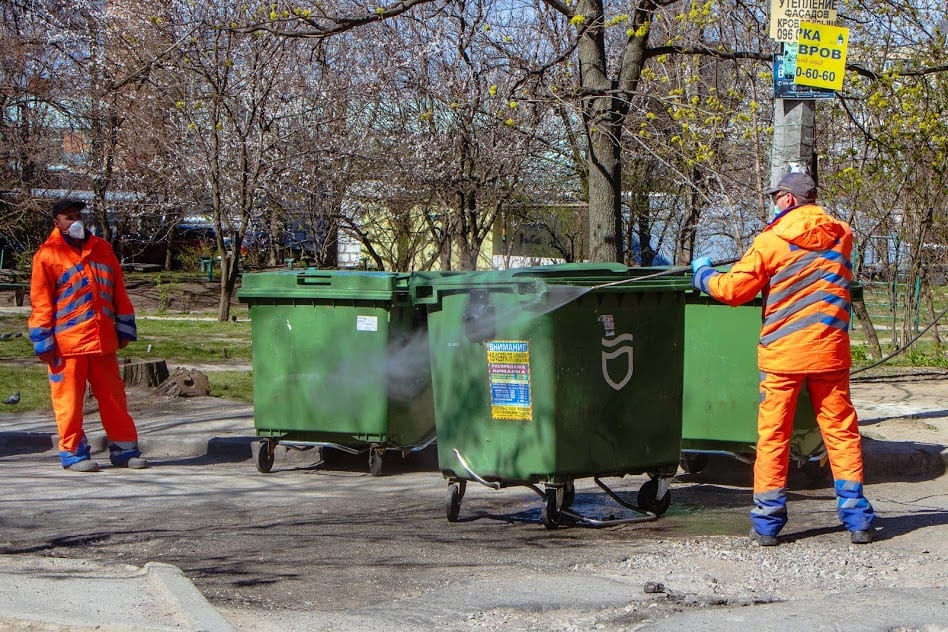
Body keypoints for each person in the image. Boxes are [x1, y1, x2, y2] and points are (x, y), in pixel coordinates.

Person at [690, 172, 875, 546]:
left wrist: (702, 273)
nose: (774, 203)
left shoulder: (771, 241)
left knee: (774, 436)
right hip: (829, 351)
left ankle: (768, 523)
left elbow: (733, 290)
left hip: (784, 356)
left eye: (777, 197)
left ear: (788, 200)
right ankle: (857, 518)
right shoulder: (842, 235)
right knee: (840, 432)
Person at [28, 198, 147, 472]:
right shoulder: (47, 255)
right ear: (56, 222)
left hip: (103, 342)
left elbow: (118, 291)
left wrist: (125, 328)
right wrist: (43, 342)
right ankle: (72, 453)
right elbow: (41, 302)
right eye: (68, 217)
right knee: (68, 403)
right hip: (66, 346)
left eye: (78, 215)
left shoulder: (102, 249)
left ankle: (125, 450)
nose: (75, 221)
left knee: (115, 400)